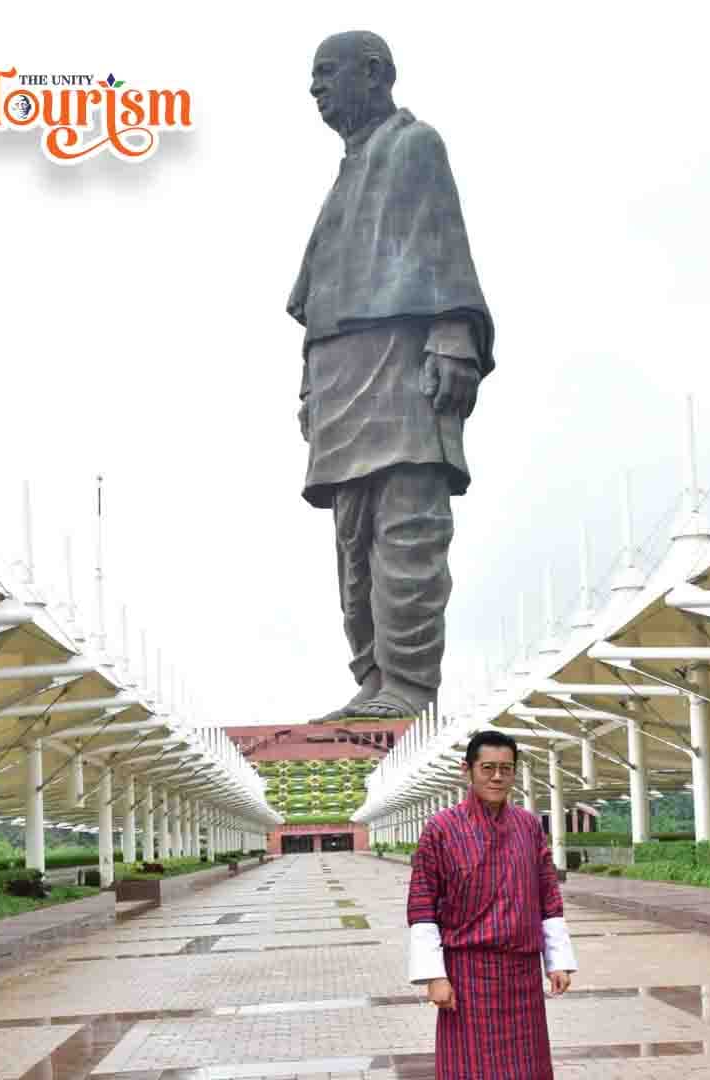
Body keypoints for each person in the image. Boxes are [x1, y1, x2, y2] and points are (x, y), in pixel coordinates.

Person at [288, 31, 494, 721]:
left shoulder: (414, 144)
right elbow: (316, 296)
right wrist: (310, 388)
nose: (314, 88)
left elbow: (442, 243)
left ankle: (409, 685)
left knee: (407, 525)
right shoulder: (348, 169)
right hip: (341, 373)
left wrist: (453, 334)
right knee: (353, 542)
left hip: (401, 359)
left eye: (326, 74)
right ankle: (376, 679)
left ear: (374, 74)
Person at [406, 731, 576, 1079]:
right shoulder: (441, 829)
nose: (497, 777)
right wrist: (435, 976)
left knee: (527, 1069)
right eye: (488, 768)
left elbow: (548, 895)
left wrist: (557, 961)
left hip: (522, 973)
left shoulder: (528, 826)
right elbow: (423, 904)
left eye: (506, 769)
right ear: (466, 770)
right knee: (469, 1068)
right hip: (467, 975)